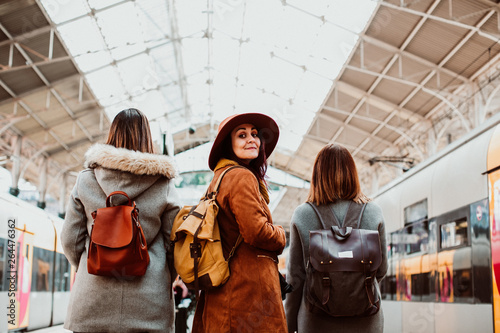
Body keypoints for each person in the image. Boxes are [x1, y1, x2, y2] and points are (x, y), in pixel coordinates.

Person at [61, 108, 181, 333]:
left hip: (93, 301)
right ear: (147, 137)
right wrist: (164, 274)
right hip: (149, 303)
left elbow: (70, 239)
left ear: (112, 134)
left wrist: (90, 265)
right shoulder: (163, 184)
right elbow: (174, 243)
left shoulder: (86, 179)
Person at [191, 112, 287, 333]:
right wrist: (280, 234)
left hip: (224, 291)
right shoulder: (241, 177)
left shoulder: (218, 179)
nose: (252, 139)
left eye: (254, 134)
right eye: (241, 135)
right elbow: (257, 232)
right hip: (248, 293)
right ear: (228, 144)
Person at [285, 143, 388, 333]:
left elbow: (295, 278)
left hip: (316, 322)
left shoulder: (303, 214)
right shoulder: (373, 212)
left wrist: (289, 323)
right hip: (367, 322)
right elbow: (381, 270)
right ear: (353, 173)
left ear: (317, 175)